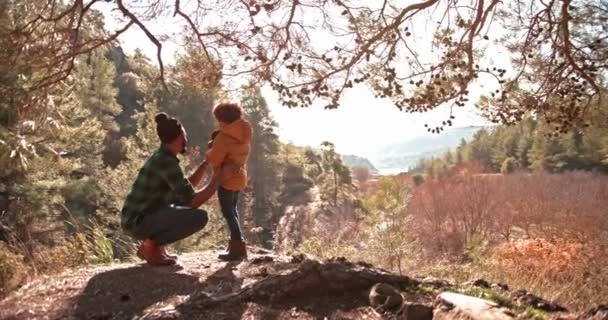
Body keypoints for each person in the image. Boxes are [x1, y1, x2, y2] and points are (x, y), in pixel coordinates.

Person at [121, 112, 237, 266]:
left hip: (137, 218)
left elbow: (185, 189)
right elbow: (192, 201)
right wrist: (219, 178)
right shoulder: (166, 161)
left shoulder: (163, 157)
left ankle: (155, 247)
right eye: (184, 135)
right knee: (199, 217)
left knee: (178, 204)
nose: (185, 139)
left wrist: (206, 164)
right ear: (177, 138)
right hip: (138, 221)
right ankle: (151, 246)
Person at [205, 102, 252, 260]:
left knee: (228, 212)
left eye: (219, 119)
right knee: (233, 210)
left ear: (223, 119)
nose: (218, 122)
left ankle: (237, 246)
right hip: (239, 177)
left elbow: (214, 158)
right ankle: (236, 243)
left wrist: (210, 150)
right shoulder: (244, 135)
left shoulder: (223, 137)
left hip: (226, 178)